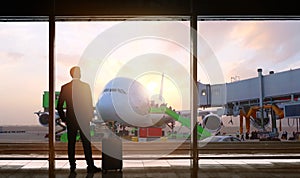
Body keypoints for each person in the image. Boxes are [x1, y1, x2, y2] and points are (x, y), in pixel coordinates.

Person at [57, 66, 101, 174]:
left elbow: (59, 107)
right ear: (79, 74)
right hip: (83, 119)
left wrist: (65, 119)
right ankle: (90, 165)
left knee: (71, 144)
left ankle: (72, 166)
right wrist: (89, 117)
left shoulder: (65, 87)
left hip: (71, 120)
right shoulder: (85, 87)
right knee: (86, 143)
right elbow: (89, 104)